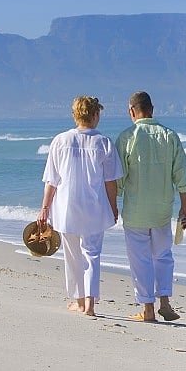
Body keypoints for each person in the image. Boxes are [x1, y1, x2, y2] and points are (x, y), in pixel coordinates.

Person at [39, 95, 123, 317]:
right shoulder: (103, 143)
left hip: (66, 206)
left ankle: (78, 301)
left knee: (73, 256)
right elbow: (110, 181)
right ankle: (90, 305)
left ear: (75, 115)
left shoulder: (60, 140)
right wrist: (114, 207)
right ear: (95, 115)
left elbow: (52, 180)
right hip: (94, 206)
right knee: (92, 255)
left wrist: (44, 209)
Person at [115, 90, 186, 322]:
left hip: (136, 211)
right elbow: (181, 174)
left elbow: (119, 178)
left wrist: (111, 205)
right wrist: (185, 207)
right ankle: (165, 303)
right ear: (152, 109)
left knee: (140, 259)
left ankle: (148, 308)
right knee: (163, 256)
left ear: (131, 111)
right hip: (162, 209)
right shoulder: (170, 136)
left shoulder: (128, 137)